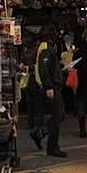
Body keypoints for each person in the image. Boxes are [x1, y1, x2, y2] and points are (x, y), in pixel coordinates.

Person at [29, 27, 67, 157]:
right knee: (58, 116)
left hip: (49, 86)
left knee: (59, 115)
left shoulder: (44, 47)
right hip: (51, 87)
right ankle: (52, 146)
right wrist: (49, 87)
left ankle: (40, 133)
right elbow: (43, 68)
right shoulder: (46, 49)